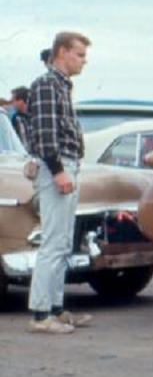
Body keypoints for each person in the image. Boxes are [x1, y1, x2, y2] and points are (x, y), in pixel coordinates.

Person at [26, 32, 94, 334]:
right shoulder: (46, 85)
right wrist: (57, 170)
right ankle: (41, 314)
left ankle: (54, 307)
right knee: (54, 242)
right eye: (79, 54)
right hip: (59, 166)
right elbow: (45, 133)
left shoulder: (60, 86)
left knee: (63, 242)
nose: (83, 60)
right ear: (62, 52)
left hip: (67, 164)